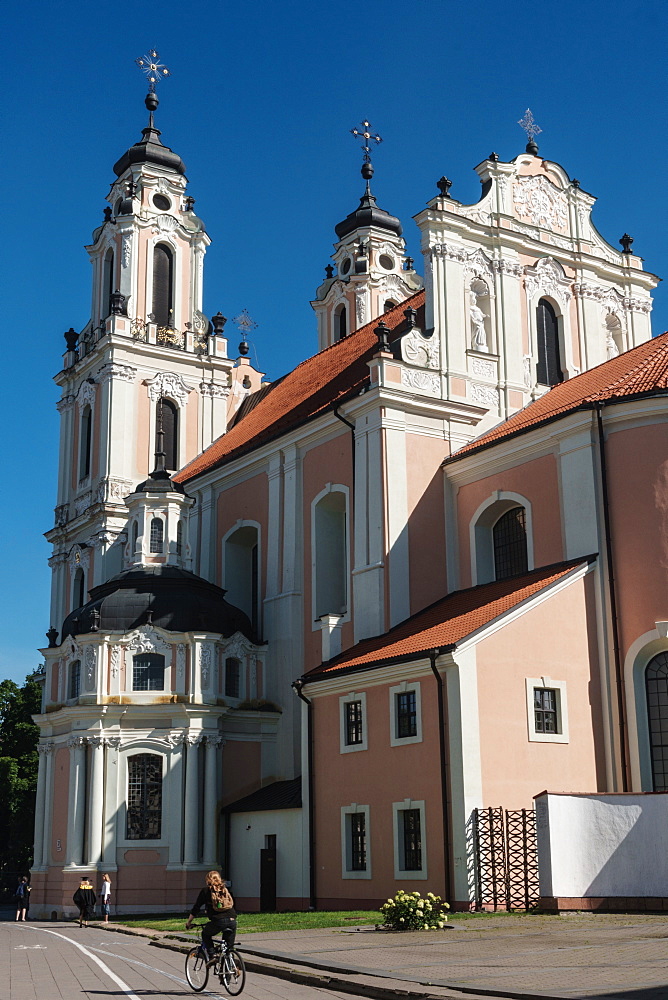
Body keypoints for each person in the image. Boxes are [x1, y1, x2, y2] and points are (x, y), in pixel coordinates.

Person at [185, 871, 236, 960]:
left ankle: (212, 956)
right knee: (228, 948)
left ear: (207, 880)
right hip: (232, 920)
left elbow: (196, 908)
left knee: (205, 934)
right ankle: (230, 968)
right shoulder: (224, 889)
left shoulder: (205, 891)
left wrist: (189, 922)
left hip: (218, 921)